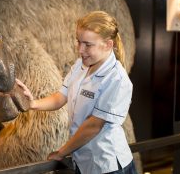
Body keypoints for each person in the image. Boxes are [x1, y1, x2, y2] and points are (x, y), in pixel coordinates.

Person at [16, 11, 137, 174]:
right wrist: (31, 103)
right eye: (78, 42)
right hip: (84, 162)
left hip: (108, 166)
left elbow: (93, 126)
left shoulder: (117, 79)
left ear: (108, 44)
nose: (80, 49)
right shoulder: (80, 65)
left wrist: (62, 152)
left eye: (87, 44)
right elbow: (60, 97)